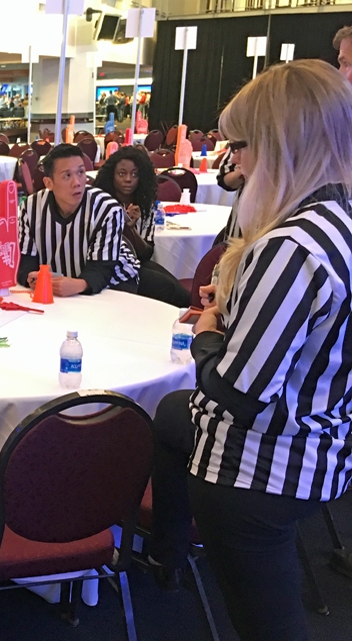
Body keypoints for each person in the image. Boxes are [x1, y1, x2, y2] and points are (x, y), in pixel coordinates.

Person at [148, 60, 352, 641]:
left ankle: (165, 551)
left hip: (258, 468)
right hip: (322, 441)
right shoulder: (337, 219)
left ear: (278, 144)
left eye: (240, 145)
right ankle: (164, 549)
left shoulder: (290, 245)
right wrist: (241, 304)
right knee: (167, 415)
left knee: (269, 626)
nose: (233, 161)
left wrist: (210, 328)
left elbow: (238, 392)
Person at [17, 143, 139, 296]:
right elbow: (26, 260)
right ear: (49, 183)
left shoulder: (106, 208)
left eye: (81, 172)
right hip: (56, 287)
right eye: (67, 175)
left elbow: (102, 268)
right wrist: (32, 279)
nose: (77, 182)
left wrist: (78, 285)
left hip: (112, 284)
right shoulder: (31, 207)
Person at [93, 147, 189, 307]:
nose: (128, 179)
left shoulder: (144, 205)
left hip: (135, 260)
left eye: (135, 174)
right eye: (121, 174)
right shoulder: (100, 202)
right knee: (169, 289)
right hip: (111, 265)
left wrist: (130, 229)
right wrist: (119, 224)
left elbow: (145, 253)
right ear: (112, 175)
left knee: (176, 288)